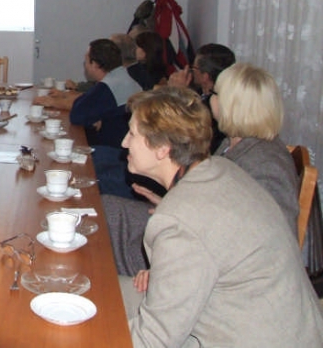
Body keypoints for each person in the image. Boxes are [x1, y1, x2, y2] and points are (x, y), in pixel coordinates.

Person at [118, 86, 323, 347]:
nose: (124, 142)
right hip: (281, 326)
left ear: (162, 149)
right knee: (98, 293)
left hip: (249, 337)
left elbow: (153, 340)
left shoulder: (178, 220)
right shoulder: (219, 169)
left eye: (132, 134)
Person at [105, 62, 298, 276]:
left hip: (208, 256)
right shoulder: (232, 143)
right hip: (196, 228)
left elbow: (272, 239)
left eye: (215, 93)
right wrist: (168, 202)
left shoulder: (268, 163)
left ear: (232, 105)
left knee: (106, 239)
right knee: (107, 208)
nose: (210, 98)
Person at [35, 39, 141, 147]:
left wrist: (54, 102)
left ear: (94, 64)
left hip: (112, 148)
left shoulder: (108, 86)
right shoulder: (120, 77)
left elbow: (77, 115)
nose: (85, 65)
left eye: (86, 61)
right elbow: (88, 99)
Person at [168, 42, 235, 155]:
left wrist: (176, 94)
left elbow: (177, 132)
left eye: (194, 68)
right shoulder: (199, 93)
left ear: (205, 76)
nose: (190, 71)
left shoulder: (213, 107)